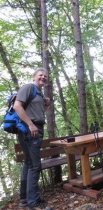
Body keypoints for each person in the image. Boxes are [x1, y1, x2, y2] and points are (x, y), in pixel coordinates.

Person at [13, 68, 53, 210]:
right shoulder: (28, 87)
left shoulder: (39, 93)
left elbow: (41, 112)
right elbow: (17, 106)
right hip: (30, 129)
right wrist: (30, 125)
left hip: (35, 128)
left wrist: (46, 103)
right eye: (40, 75)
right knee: (35, 166)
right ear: (34, 77)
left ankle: (25, 199)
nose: (43, 77)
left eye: (45, 75)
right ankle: (34, 203)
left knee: (29, 164)